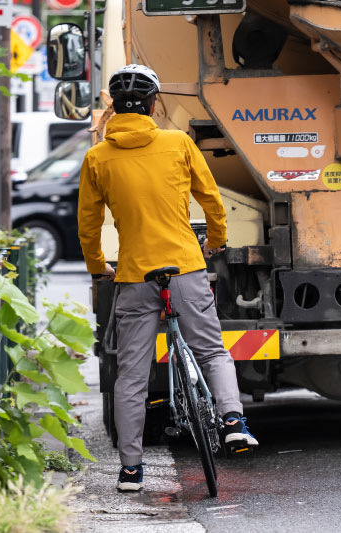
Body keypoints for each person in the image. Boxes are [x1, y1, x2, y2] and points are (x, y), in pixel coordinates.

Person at [77, 64, 258, 492]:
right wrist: (215, 240)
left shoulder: (97, 157)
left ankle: (130, 470)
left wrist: (96, 264)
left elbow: (88, 222)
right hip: (185, 267)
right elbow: (211, 197)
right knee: (213, 351)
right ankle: (232, 420)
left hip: (134, 275)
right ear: (154, 105)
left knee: (133, 375)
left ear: (114, 108)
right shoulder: (177, 143)